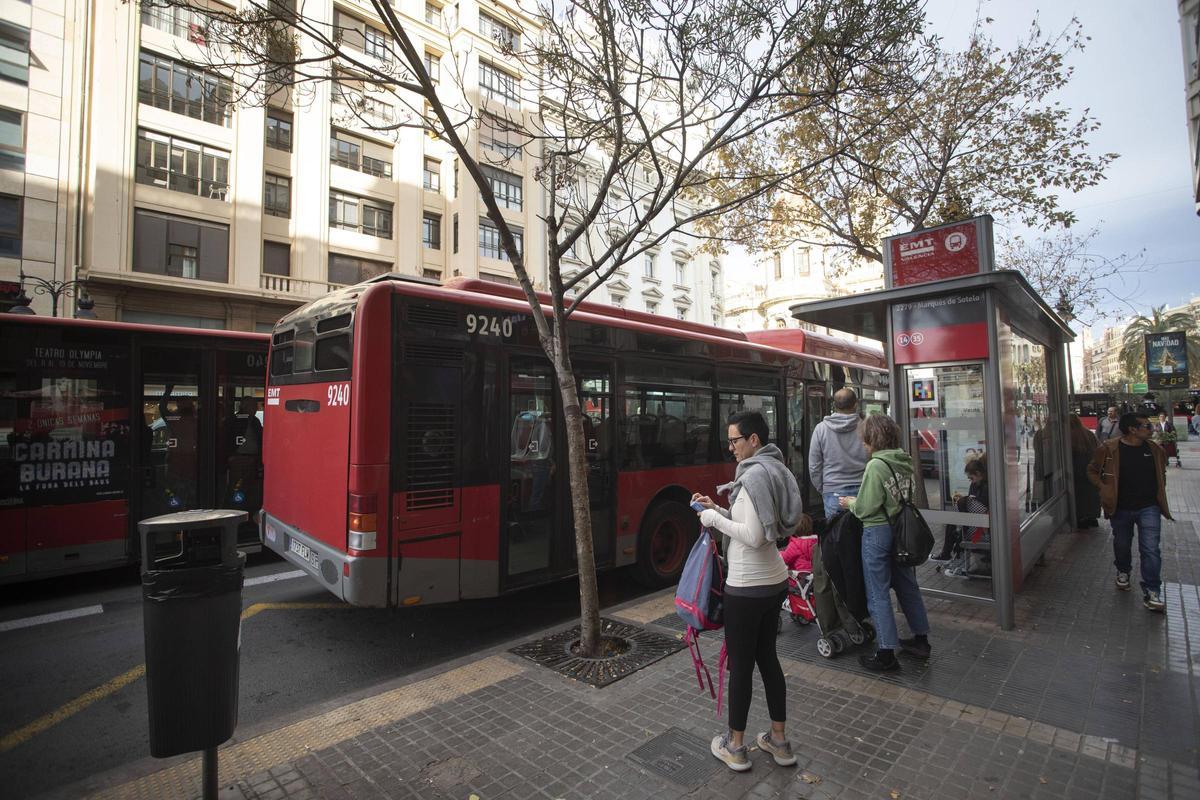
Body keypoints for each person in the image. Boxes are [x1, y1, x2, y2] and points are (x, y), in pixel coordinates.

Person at [692, 410, 802, 773]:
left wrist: (712, 519)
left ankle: (736, 747)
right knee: (768, 659)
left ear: (754, 440)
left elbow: (754, 536)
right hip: (773, 583)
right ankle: (779, 741)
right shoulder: (774, 469)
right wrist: (718, 508)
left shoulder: (753, 476)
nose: (731, 447)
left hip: (746, 587)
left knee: (741, 666)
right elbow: (757, 523)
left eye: (735, 440)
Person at [838, 414, 932, 672]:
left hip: (877, 532)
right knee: (907, 586)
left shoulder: (876, 466)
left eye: (865, 439)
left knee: (877, 592)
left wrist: (850, 503)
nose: (863, 444)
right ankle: (921, 639)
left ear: (874, 438)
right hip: (901, 532)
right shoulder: (904, 460)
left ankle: (886, 652)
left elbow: (866, 507)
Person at [1087, 412, 1173, 612]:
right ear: (1132, 429)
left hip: (1149, 506)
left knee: (1151, 549)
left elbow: (1161, 473)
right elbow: (1092, 470)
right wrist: (1104, 488)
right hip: (1121, 507)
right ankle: (1123, 570)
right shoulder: (1109, 448)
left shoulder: (1155, 449)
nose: (1151, 429)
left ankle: (1152, 590)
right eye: (1147, 426)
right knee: (1122, 543)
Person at [808, 388, 868, 519]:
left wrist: (824, 488)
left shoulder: (821, 429)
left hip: (833, 491)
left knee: (835, 531)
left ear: (834, 405)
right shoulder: (866, 427)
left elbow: (814, 466)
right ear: (856, 404)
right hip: (864, 490)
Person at [1068, 414, 1101, 528]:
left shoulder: (1068, 435)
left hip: (1076, 469)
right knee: (1091, 493)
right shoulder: (1088, 433)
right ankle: (1092, 517)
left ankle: (1081, 517)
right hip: (1091, 467)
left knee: (1078, 494)